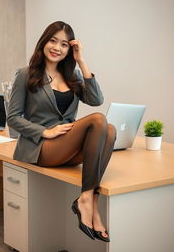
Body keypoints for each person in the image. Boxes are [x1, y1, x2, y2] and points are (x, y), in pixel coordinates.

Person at [7, 21, 116, 242]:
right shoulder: (25, 74)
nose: (57, 47)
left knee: (110, 130)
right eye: (53, 41)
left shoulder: (73, 75)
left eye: (64, 44)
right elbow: (13, 118)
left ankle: (89, 200)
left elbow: (96, 100)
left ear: (70, 49)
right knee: (99, 120)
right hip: (41, 149)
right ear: (44, 42)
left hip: (66, 148)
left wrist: (81, 61)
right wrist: (44, 132)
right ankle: (87, 202)